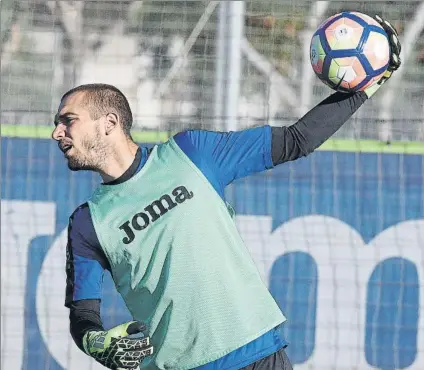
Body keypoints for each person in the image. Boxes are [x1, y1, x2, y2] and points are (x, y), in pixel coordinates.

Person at [52, 16, 400, 370]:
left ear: (110, 123)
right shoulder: (87, 222)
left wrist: (368, 85)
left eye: (68, 120)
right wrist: (96, 343)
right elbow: (83, 314)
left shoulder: (191, 152)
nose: (57, 133)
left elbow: (297, 140)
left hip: (259, 355)